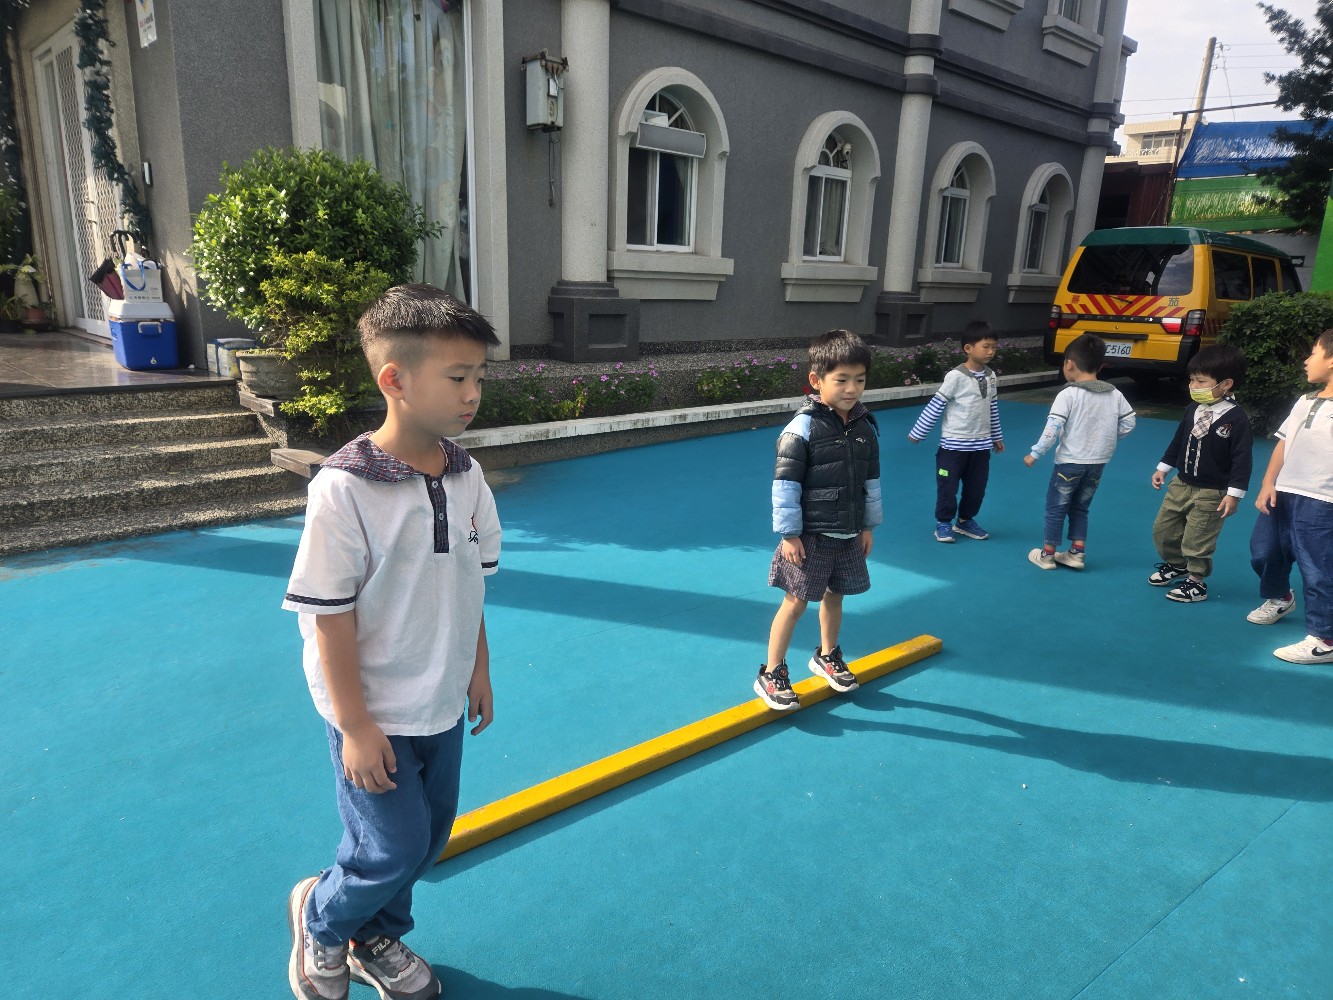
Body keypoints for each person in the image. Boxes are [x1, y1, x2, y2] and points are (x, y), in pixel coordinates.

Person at [283, 284, 502, 1000]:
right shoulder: (344, 488)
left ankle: (375, 933)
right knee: (390, 844)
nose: (473, 393)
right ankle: (322, 919)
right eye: (458, 377)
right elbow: (328, 614)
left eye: (479, 376)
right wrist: (354, 725)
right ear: (394, 380)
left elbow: (470, 582)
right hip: (372, 708)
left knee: (428, 838)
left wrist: (478, 667)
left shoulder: (466, 476)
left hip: (439, 697)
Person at [755, 329, 883, 711]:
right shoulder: (802, 427)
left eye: (859, 380)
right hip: (810, 536)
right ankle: (771, 672)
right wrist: (790, 534)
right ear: (816, 380)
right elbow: (785, 486)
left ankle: (827, 656)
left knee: (835, 596)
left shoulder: (865, 427)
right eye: (841, 380)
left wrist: (867, 525)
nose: (851, 389)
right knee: (795, 603)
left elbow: (871, 480)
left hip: (848, 532)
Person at [1247, 330, 1333, 664]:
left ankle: (1324, 638)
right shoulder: (1305, 401)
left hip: (1322, 499)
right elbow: (1284, 442)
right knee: (1264, 551)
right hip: (1284, 492)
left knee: (1318, 567)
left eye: (1313, 353)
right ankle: (1280, 597)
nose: (1306, 360)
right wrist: (1268, 482)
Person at [1147, 344, 1253, 603]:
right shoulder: (1192, 409)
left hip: (1212, 492)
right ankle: (1177, 565)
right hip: (1181, 483)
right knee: (1163, 530)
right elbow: (1178, 441)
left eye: (1201, 381)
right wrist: (1163, 468)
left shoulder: (1236, 419)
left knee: (1198, 538)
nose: (1193, 386)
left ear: (1226, 384)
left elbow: (1242, 459)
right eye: (1192, 380)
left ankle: (1196, 582)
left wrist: (1234, 494)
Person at [1023, 333, 1136, 570]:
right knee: (1080, 507)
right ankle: (1077, 553)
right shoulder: (1114, 394)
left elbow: (1053, 427)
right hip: (1097, 463)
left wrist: (1036, 453)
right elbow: (1128, 422)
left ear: (1069, 364)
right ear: (1100, 365)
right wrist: (1106, 438)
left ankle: (1047, 555)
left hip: (1070, 462)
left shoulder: (1068, 394)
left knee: (1056, 507)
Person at [908, 319, 1005, 542]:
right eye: (986, 346)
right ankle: (943, 523)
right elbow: (937, 404)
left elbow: (992, 408)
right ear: (968, 348)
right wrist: (918, 432)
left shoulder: (991, 377)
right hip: (952, 449)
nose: (991, 351)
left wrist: (996, 437)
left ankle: (965, 521)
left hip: (980, 449)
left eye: (994, 346)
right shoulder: (956, 377)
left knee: (976, 489)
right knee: (947, 487)